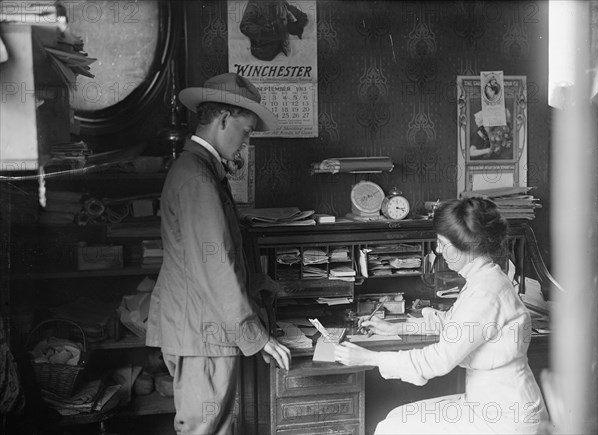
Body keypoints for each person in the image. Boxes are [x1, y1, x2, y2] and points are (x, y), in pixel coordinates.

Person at [146, 72, 291, 434]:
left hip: (202, 328)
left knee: (214, 427)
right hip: (202, 331)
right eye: (245, 131)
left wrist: (258, 282)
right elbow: (214, 265)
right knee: (204, 429)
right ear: (224, 119)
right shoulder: (197, 176)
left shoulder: (200, 170)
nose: (245, 142)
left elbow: (214, 250)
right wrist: (255, 335)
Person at [334, 197, 549, 434]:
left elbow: (437, 360)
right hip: (493, 403)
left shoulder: (486, 293)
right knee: (396, 419)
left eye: (442, 243)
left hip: (504, 418)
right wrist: (398, 328)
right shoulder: (486, 279)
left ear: (467, 245)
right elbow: (458, 327)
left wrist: (369, 358)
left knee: (392, 428)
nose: (437, 249)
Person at [240, 0, 308, 61]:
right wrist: (266, 32)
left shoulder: (282, 2)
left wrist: (299, 23)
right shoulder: (255, 2)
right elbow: (245, 26)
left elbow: (288, 25)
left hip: (283, 51)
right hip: (263, 54)